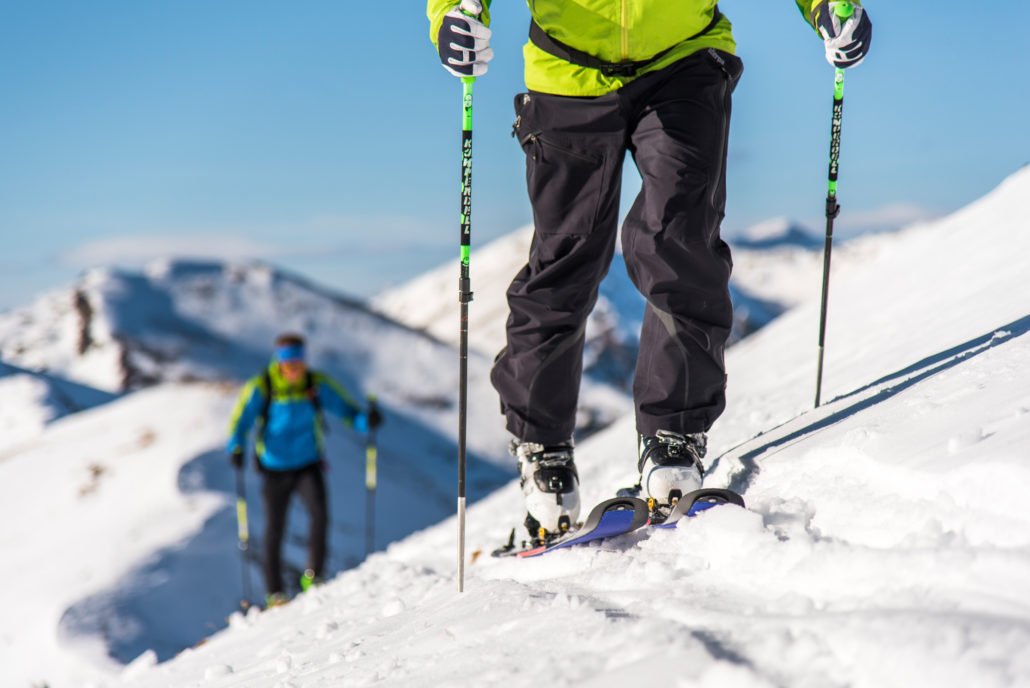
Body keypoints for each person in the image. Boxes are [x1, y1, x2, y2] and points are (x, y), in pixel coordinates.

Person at [428, 0, 872, 541]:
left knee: (677, 239)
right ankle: (542, 448)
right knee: (565, 262)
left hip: (683, 60)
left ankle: (673, 434)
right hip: (567, 74)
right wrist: (452, 12)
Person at [227, 333, 382, 606]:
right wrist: (236, 447)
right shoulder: (261, 387)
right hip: (274, 468)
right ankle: (275, 593)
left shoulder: (316, 384)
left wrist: (365, 421)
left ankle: (314, 576)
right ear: (280, 362)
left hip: (308, 464)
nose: (294, 368)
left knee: (320, 515)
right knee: (276, 528)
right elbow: (241, 421)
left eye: (298, 361)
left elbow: (346, 410)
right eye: (289, 363)